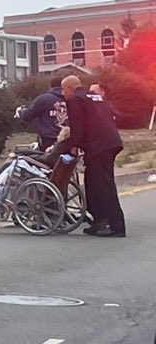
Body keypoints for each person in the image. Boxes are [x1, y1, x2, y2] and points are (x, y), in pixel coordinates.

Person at [62, 75, 125, 237]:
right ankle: (98, 222)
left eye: (64, 90)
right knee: (92, 182)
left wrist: (74, 146)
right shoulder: (95, 96)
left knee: (103, 185)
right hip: (110, 141)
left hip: (99, 146)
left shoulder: (75, 100)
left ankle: (116, 225)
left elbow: (77, 126)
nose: (63, 94)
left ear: (70, 88)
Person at [17, 76, 68, 150]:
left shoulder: (43, 99)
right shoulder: (71, 99)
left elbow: (27, 116)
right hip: (67, 140)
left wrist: (21, 111)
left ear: (50, 86)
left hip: (48, 140)